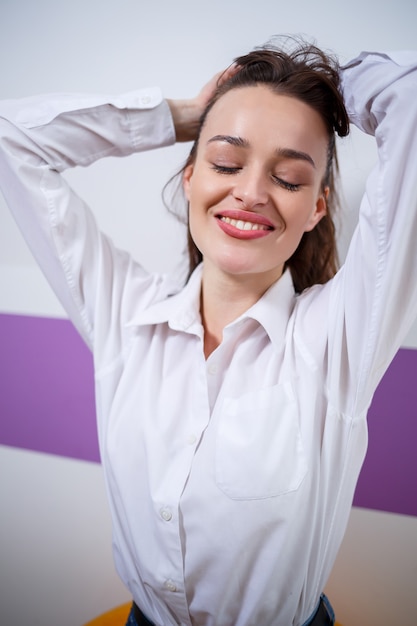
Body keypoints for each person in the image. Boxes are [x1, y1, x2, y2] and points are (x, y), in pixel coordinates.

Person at [0, 36, 416, 626]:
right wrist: (181, 117)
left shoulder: (336, 339)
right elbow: (10, 136)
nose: (250, 192)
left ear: (317, 209)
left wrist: (329, 95)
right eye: (225, 162)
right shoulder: (127, 316)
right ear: (191, 176)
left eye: (290, 179)